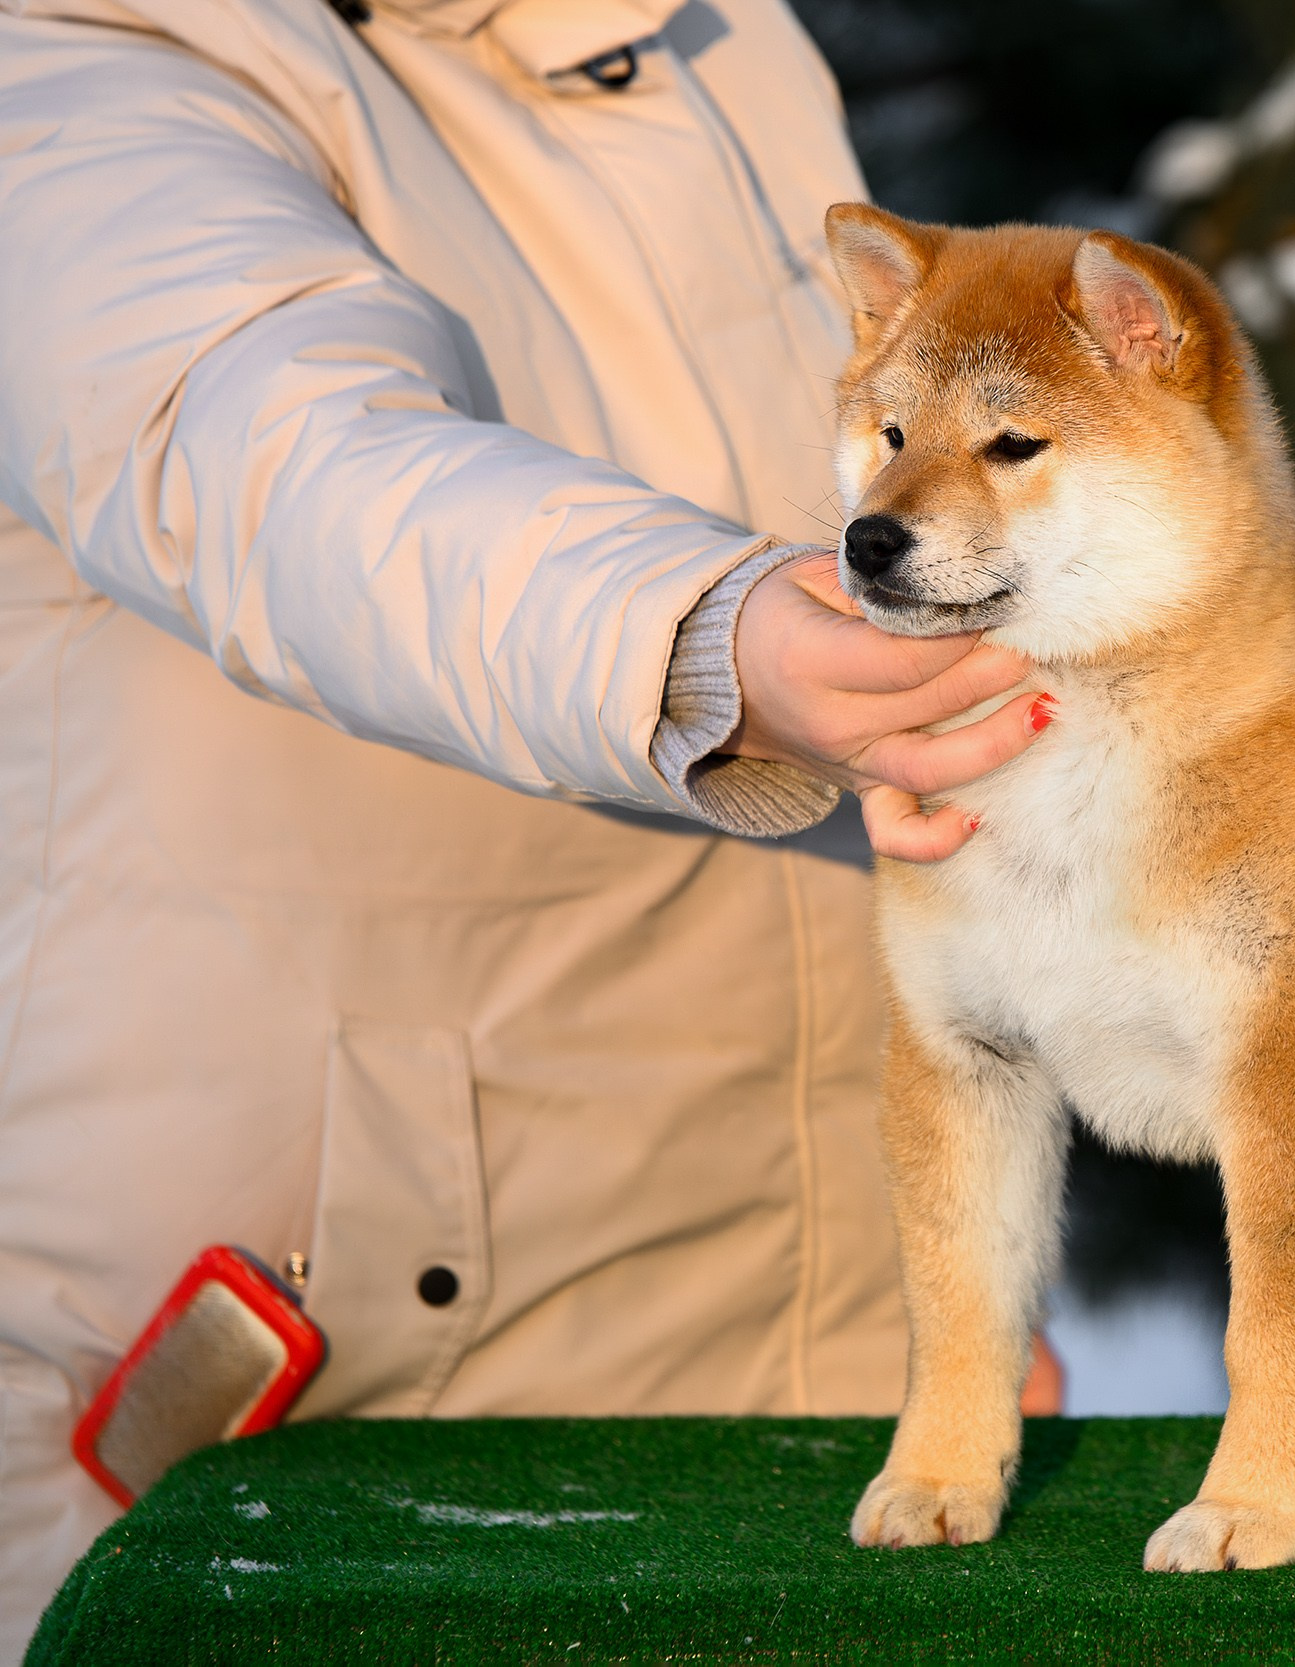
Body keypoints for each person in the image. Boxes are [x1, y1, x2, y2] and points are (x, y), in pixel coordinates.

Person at [0, 0, 1042, 1649]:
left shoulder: (711, 43)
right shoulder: (75, 65)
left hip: (817, 1319)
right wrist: (702, 635)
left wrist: (955, 1288)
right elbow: (270, 462)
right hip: (355, 1373)